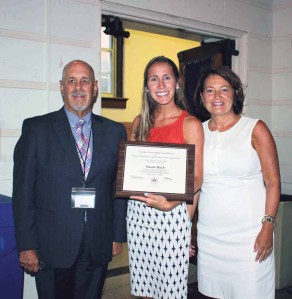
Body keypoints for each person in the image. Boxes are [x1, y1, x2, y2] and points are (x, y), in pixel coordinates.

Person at [12, 60, 127, 299]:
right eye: (71, 81)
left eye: (84, 81)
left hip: (98, 241)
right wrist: (26, 245)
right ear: (61, 87)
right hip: (52, 244)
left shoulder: (115, 131)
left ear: (95, 87)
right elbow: (23, 192)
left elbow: (118, 188)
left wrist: (117, 235)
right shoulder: (36, 129)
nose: (78, 87)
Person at [194, 66, 281, 299]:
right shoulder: (197, 132)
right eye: (210, 91)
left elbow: (273, 182)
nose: (217, 96)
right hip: (210, 237)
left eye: (224, 89)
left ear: (235, 93)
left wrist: (268, 225)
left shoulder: (255, 128)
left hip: (250, 237)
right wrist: (185, 231)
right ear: (202, 98)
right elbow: (194, 186)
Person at [127, 56, 204, 299]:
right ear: (147, 86)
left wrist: (174, 207)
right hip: (138, 213)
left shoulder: (190, 123)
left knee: (171, 290)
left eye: (167, 77)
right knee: (145, 289)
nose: (161, 85)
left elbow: (198, 177)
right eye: (154, 79)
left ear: (177, 83)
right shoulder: (139, 122)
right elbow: (132, 170)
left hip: (172, 212)